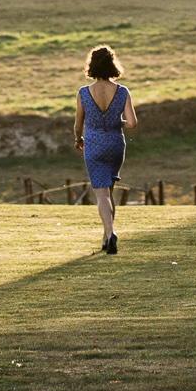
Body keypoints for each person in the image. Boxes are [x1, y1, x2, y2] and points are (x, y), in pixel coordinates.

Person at [74, 44, 137, 254]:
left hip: (93, 144)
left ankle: (110, 234)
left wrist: (77, 138)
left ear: (91, 66)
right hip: (116, 145)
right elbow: (131, 124)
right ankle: (106, 238)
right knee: (109, 192)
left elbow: (78, 124)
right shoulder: (122, 91)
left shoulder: (84, 93)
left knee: (101, 195)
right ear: (112, 65)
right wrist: (115, 122)